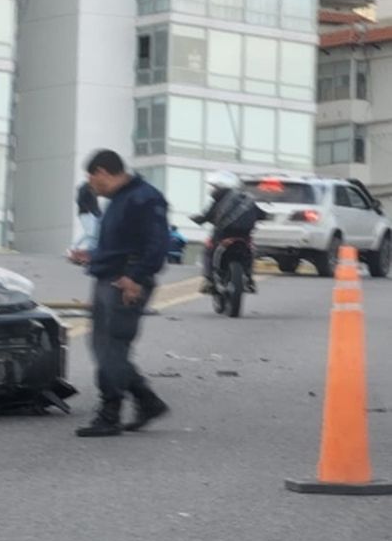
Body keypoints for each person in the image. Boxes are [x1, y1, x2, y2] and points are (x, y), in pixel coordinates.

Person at [66, 150, 171, 438]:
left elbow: (158, 243)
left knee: (112, 347)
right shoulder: (120, 200)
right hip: (108, 277)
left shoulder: (144, 198)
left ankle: (110, 413)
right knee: (103, 346)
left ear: (103, 172)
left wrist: (135, 277)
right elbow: (118, 244)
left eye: (91, 177)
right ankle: (146, 401)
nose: (91, 184)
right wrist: (90, 256)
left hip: (125, 282)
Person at [191, 170, 264, 295]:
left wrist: (198, 219)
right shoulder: (246, 199)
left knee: (208, 251)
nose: (212, 189)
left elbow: (207, 215)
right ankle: (249, 279)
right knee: (250, 252)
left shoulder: (219, 198)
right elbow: (261, 214)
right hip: (244, 237)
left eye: (214, 186)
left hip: (222, 236)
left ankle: (208, 280)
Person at [72, 181, 103, 255]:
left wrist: (98, 213)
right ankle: (74, 246)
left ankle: (84, 248)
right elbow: (79, 200)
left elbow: (94, 204)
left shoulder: (92, 189)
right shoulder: (84, 188)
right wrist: (88, 210)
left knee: (92, 233)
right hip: (85, 213)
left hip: (93, 214)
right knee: (90, 232)